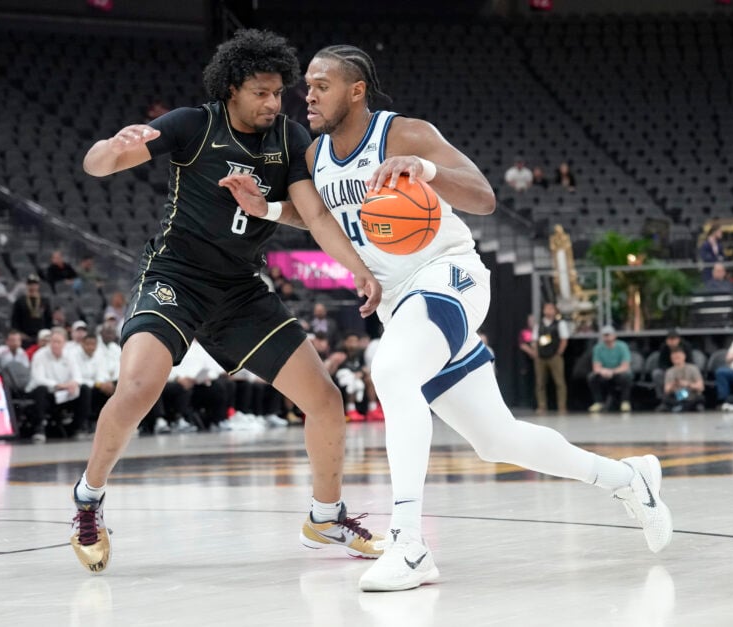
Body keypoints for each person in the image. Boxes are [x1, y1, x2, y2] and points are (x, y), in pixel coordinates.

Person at [226, 44, 672, 592]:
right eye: (308, 86)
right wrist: (268, 209)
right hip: (399, 302)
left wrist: (427, 170)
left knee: (391, 371)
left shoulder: (404, 133)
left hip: (448, 276)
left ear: (356, 91)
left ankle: (409, 545)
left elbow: (483, 197)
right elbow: (319, 215)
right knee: (497, 439)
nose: (308, 95)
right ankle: (629, 478)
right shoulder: (316, 155)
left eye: (322, 85)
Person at [69, 29, 385, 574]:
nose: (274, 103)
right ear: (232, 88)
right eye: (261, 93)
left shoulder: (288, 138)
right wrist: (113, 146)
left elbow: (312, 215)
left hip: (240, 289)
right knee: (139, 387)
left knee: (326, 400)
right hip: (176, 277)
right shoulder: (193, 125)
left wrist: (357, 269)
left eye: (278, 93)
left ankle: (326, 517)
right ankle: (88, 499)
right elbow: (97, 166)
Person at [529, 302, 569, 414]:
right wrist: (536, 353)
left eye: (551, 309)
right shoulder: (539, 324)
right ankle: (542, 406)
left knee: (559, 382)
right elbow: (535, 340)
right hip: (541, 357)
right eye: (547, 308)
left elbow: (564, 340)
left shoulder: (560, 324)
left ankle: (562, 406)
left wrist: (559, 352)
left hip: (554, 356)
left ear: (555, 311)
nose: (549, 311)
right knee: (540, 383)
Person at [587, 325, 633, 412]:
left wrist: (612, 371)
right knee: (592, 377)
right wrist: (603, 371)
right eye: (605, 335)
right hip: (604, 373)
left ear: (614, 335)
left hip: (618, 373)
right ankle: (598, 402)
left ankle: (625, 401)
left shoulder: (622, 346)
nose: (607, 337)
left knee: (626, 376)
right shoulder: (598, 348)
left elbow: (625, 366)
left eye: (608, 335)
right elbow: (596, 367)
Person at [659, 346, 704, 412]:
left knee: (700, 398)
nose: (676, 359)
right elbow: (667, 390)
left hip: (690, 394)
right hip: (677, 395)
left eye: (678, 357)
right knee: (665, 398)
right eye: (674, 358)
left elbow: (701, 387)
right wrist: (673, 385)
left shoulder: (693, 368)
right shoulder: (669, 371)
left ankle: (680, 407)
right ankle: (682, 407)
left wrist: (688, 384)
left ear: (684, 356)